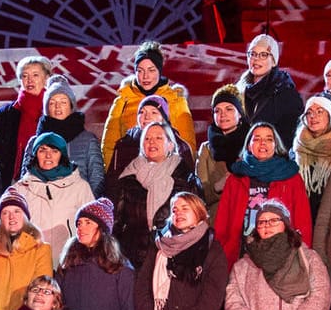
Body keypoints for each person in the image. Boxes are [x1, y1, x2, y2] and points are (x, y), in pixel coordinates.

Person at [214, 122, 313, 263]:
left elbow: (303, 221)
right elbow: (223, 220)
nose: (263, 143)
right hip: (241, 253)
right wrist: (219, 253)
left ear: (275, 145)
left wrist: (303, 254)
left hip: (281, 253)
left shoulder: (291, 176)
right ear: (249, 145)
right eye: (257, 139)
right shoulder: (236, 177)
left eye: (268, 139)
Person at [113, 121, 201, 266]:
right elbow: (117, 222)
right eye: (147, 138)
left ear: (171, 145)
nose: (152, 142)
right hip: (133, 258)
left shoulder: (186, 178)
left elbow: (196, 224)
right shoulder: (128, 177)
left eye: (159, 138)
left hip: (173, 256)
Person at [103, 41, 196, 165]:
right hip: (130, 176)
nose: (145, 76)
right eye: (140, 71)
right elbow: (110, 145)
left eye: (151, 70)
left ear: (159, 70)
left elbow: (187, 145)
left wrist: (182, 178)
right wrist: (114, 178)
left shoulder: (175, 100)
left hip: (167, 175)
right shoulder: (123, 99)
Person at [11, 131, 95, 255]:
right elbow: (8, 228)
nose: (48, 156)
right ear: (35, 155)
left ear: (62, 155)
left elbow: (92, 227)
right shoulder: (20, 189)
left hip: (68, 260)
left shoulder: (80, 187)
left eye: (54, 151)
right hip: (30, 260)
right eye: (42, 150)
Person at [0, 54, 52, 187]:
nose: (29, 80)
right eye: (25, 75)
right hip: (11, 182)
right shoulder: (5, 113)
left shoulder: (52, 111)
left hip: (47, 181)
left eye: (35, 75)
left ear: (46, 79)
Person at [40, 75, 106, 197]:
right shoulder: (36, 142)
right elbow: (27, 178)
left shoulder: (88, 140)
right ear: (46, 108)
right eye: (52, 102)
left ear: (71, 106)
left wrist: (87, 206)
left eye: (63, 102)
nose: (57, 106)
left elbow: (97, 178)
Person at [237, 34, 305, 136]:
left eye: (263, 55)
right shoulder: (238, 89)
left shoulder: (286, 93)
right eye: (253, 54)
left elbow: (292, 134)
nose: (256, 59)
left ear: (273, 61)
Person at [198, 84, 248, 220]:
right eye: (217, 111)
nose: (222, 115)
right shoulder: (206, 149)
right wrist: (216, 187)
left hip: (248, 222)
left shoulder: (252, 145)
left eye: (229, 109)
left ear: (240, 113)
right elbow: (198, 195)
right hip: (218, 222)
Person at [294, 96, 331, 222]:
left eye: (319, 111)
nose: (313, 116)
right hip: (303, 210)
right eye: (309, 112)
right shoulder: (297, 144)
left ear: (330, 115)